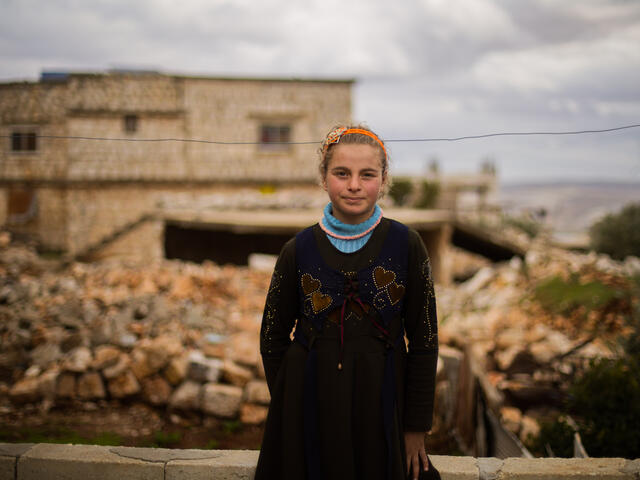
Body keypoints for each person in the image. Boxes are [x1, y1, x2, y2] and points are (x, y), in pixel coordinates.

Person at [255, 125, 440, 480]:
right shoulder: (298, 250)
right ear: (324, 178)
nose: (354, 185)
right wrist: (290, 403)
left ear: (383, 180)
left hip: (383, 403)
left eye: (366, 174)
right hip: (309, 406)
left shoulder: (407, 245)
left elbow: (424, 340)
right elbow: (272, 338)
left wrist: (415, 426)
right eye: (342, 173)